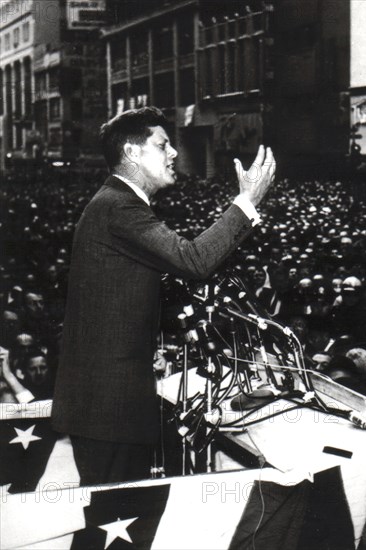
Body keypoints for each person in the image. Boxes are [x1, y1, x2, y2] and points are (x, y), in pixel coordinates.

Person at [51, 107, 276, 485]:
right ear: (132, 153)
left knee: (118, 523)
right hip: (110, 407)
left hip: (106, 403)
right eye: (163, 144)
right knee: (116, 526)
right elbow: (193, 259)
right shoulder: (119, 206)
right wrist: (247, 201)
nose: (173, 153)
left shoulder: (115, 203)